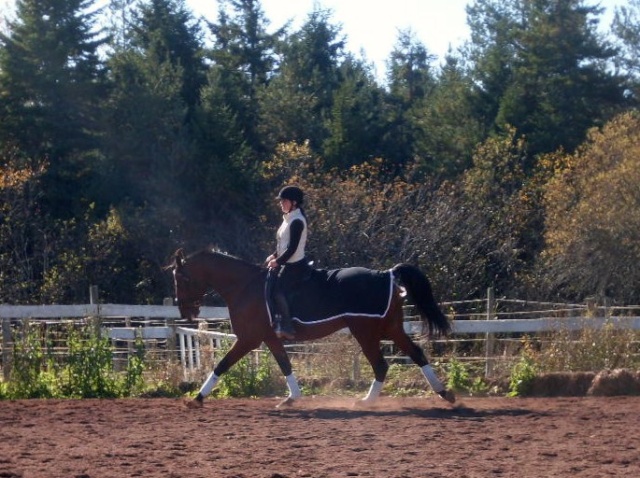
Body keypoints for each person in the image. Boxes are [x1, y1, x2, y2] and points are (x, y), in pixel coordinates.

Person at [265, 185, 311, 340]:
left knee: (278, 290)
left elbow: (292, 249)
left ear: (294, 202)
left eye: (284, 201)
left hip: (296, 265)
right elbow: (283, 245)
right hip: (286, 262)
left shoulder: (297, 221)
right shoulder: (288, 219)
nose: (281, 204)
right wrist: (273, 255)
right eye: (281, 201)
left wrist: (277, 262)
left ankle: (287, 326)